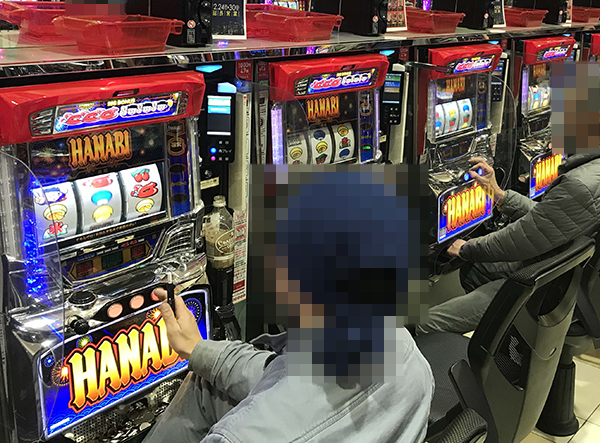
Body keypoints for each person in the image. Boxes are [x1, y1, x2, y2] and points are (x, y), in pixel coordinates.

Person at [144, 166, 434, 443]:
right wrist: (198, 349)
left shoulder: (238, 436)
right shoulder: (407, 352)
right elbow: (277, 370)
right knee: (206, 386)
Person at [417, 152, 600, 335]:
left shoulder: (581, 184)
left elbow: (521, 240)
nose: (555, 142)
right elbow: (552, 219)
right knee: (475, 269)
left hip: (545, 286)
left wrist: (466, 249)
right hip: (560, 272)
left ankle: (499, 335)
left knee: (423, 324)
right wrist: (499, 195)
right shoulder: (592, 174)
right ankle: (496, 336)